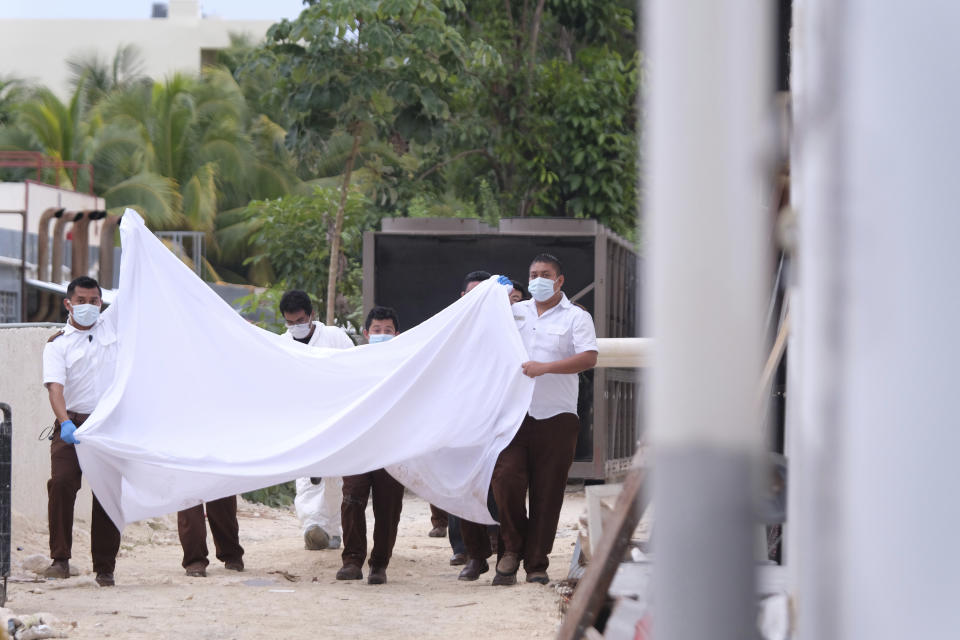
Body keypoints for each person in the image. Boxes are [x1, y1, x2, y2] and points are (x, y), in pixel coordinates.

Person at [491, 253, 598, 586]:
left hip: (557, 416)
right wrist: (494, 297)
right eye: (533, 273)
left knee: (548, 492)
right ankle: (511, 549)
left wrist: (545, 367)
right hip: (514, 415)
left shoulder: (576, 317)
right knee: (506, 481)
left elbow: (589, 357)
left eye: (545, 274)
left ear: (559, 280)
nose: (538, 279)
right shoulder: (512, 313)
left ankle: (536, 563)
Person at [41, 276, 122, 587]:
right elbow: (55, 389)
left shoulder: (113, 331)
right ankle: (60, 559)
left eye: (94, 301)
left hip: (108, 425)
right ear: (68, 304)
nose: (88, 307)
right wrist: (65, 423)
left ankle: (105, 567)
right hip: (71, 423)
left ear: (101, 302)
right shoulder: (58, 344)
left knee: (106, 494)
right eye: (81, 301)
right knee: (61, 484)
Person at [278, 290, 355, 551]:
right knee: (307, 475)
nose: (295, 327)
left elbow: (354, 371)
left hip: (336, 417)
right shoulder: (282, 344)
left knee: (335, 477)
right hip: (302, 421)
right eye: (289, 323)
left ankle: (333, 530)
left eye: (299, 321)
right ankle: (312, 525)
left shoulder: (335, 338)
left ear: (311, 315)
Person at [336, 306, 406, 585]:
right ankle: (352, 560)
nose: (381, 335)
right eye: (376, 330)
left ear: (397, 334)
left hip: (392, 446)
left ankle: (379, 564)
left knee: (388, 507)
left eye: (387, 331)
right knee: (352, 499)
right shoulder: (353, 363)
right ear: (366, 333)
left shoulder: (406, 364)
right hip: (358, 444)